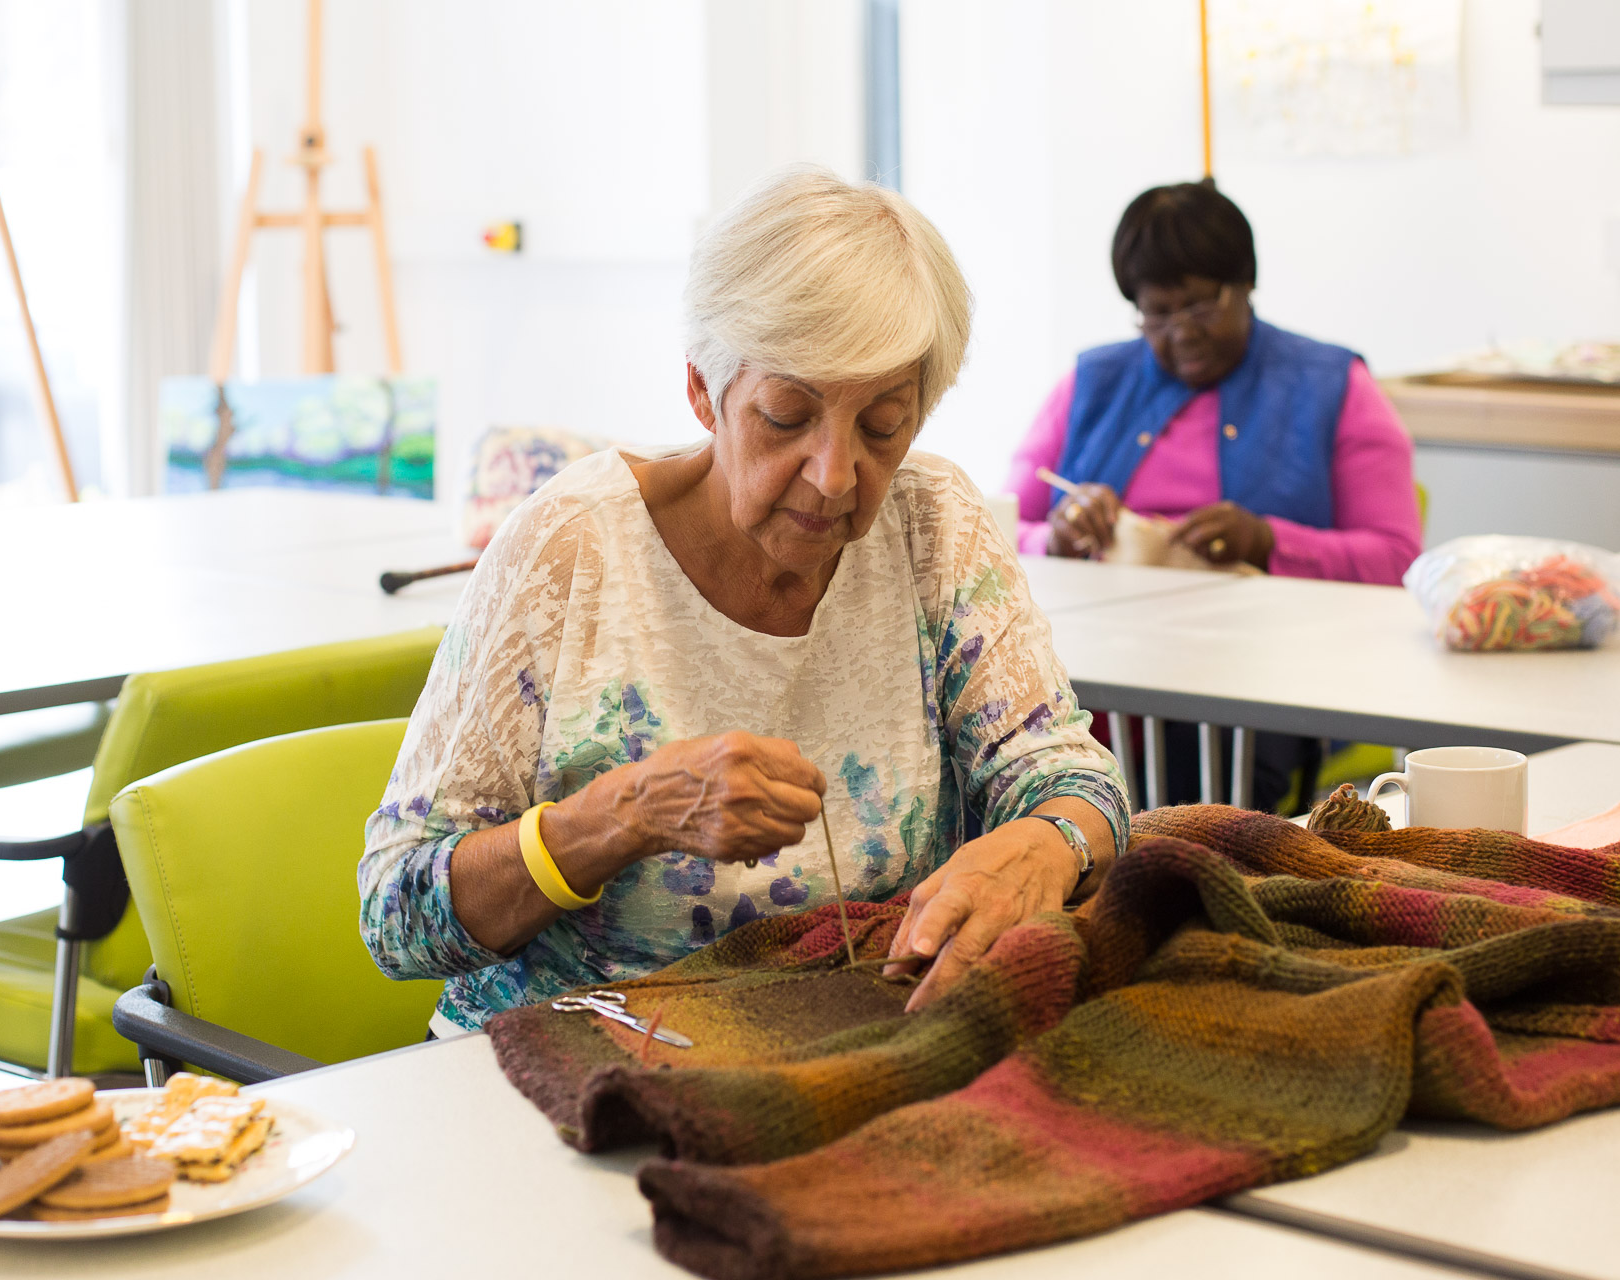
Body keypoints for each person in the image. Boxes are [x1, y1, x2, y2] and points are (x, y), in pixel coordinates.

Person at [361, 168, 1130, 1039]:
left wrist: (1049, 842)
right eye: (786, 416)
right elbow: (396, 914)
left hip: (845, 1042)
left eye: (882, 426)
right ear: (704, 392)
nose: (835, 475)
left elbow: (1069, 778)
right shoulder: (571, 549)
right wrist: (626, 814)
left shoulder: (933, 523)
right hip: (566, 1055)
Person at [1006, 181, 1423, 812]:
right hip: (1098, 664)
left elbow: (1396, 558)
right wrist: (1056, 537)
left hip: (1266, 673)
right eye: (1157, 313)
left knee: (1203, 786)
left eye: (1200, 307)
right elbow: (996, 531)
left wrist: (1269, 542)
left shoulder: (1331, 385)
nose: (1181, 333)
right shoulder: (1092, 384)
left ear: (1244, 284)